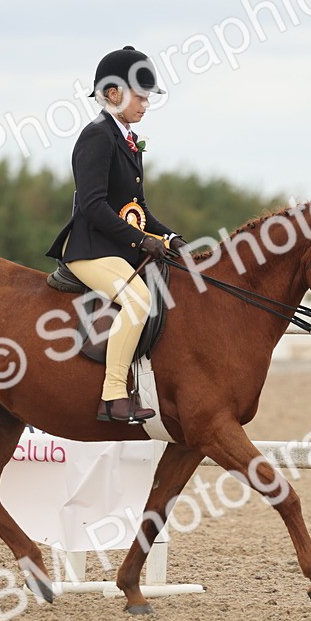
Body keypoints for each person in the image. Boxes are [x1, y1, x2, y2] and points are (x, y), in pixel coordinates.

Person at [46, 46, 187, 424]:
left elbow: (139, 210)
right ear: (113, 94)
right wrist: (142, 241)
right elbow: (94, 206)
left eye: (147, 97)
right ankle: (113, 396)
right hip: (90, 249)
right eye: (140, 96)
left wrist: (172, 238)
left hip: (117, 249)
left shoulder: (128, 140)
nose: (146, 104)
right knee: (139, 300)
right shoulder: (97, 136)